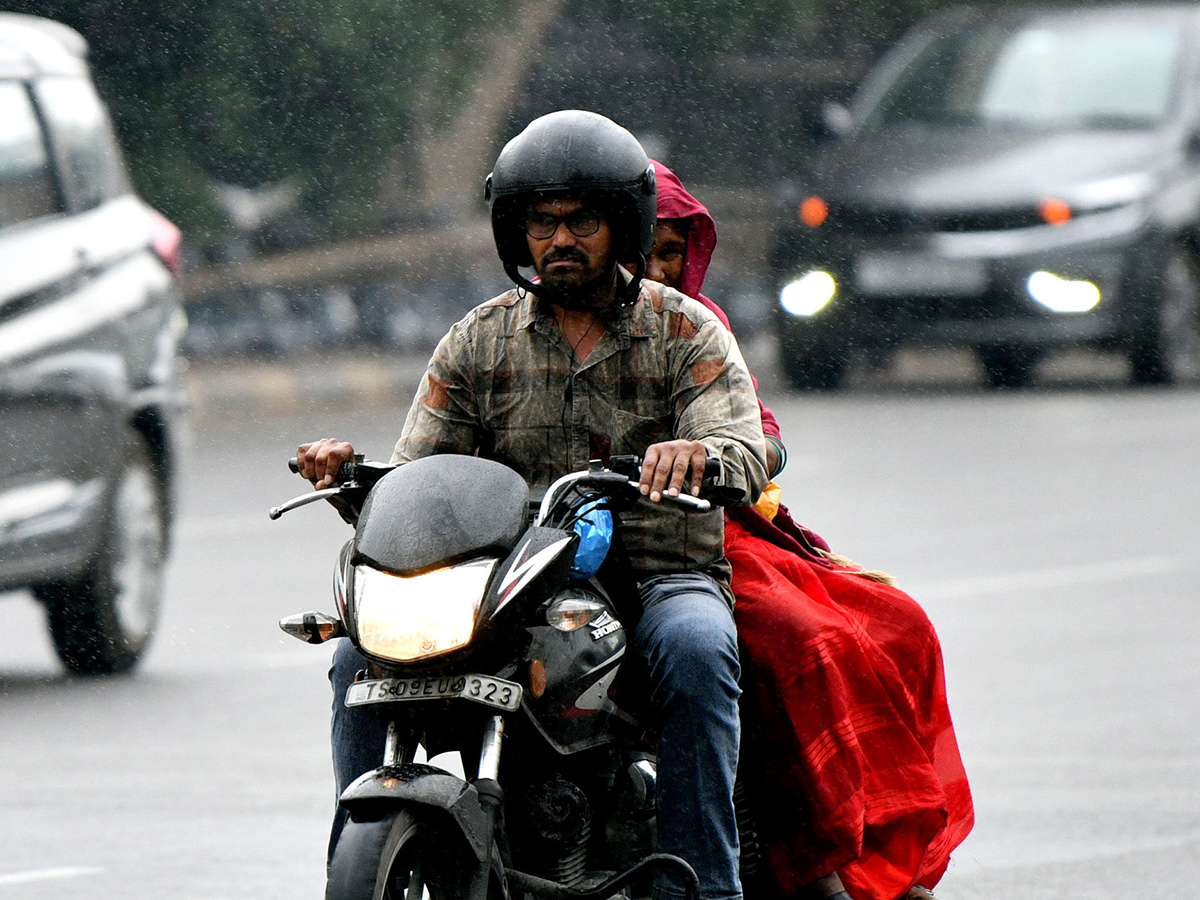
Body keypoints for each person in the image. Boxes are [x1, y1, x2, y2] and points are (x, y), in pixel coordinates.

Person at [298, 110, 769, 900]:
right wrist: (357, 478)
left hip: (657, 573)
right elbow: (419, 477)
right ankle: (359, 852)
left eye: (581, 220)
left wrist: (700, 455)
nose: (560, 239)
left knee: (698, 649)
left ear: (623, 225)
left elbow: (744, 449)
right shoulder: (476, 342)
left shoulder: (688, 332)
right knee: (356, 656)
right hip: (510, 585)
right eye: (542, 221)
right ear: (514, 230)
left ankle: (700, 887)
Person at [641, 160, 974, 900]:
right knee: (804, 641)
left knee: (896, 624)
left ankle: (873, 848)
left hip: (720, 529)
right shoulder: (518, 329)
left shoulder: (701, 326)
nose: (660, 269)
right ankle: (813, 861)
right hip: (636, 547)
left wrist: (729, 455)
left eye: (674, 252)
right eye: (645, 249)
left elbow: (754, 428)